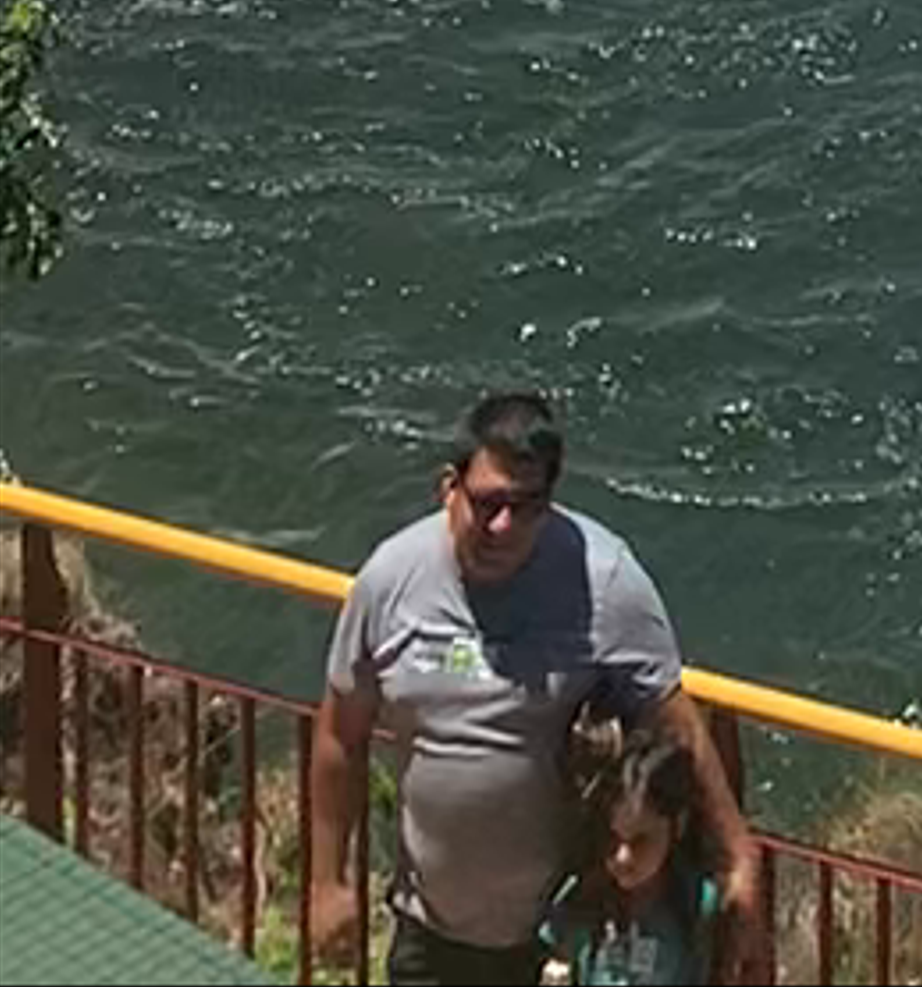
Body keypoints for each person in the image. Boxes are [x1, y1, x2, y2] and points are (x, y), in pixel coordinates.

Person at [310, 391, 770, 987]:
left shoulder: (604, 583)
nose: (504, 526)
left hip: (556, 935)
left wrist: (739, 859)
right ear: (448, 486)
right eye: (488, 503)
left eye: (527, 507)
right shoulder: (389, 582)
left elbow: (675, 719)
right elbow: (340, 735)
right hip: (428, 928)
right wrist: (328, 883)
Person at [544, 697, 721, 987]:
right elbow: (558, 958)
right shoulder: (581, 899)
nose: (623, 857)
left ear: (677, 825)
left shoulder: (696, 903)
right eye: (611, 839)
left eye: (641, 841)